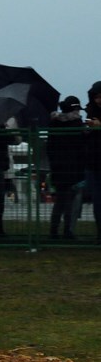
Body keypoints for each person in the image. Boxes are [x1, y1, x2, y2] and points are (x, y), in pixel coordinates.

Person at [47, 96, 85, 240]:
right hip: (72, 166)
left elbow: (50, 146)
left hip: (57, 166)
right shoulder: (76, 123)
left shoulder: (54, 123)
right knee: (69, 200)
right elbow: (80, 145)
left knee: (60, 201)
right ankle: (67, 231)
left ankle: (54, 230)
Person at [83, 81, 101, 243]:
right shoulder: (90, 111)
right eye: (96, 97)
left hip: (94, 161)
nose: (98, 100)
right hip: (93, 162)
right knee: (97, 201)